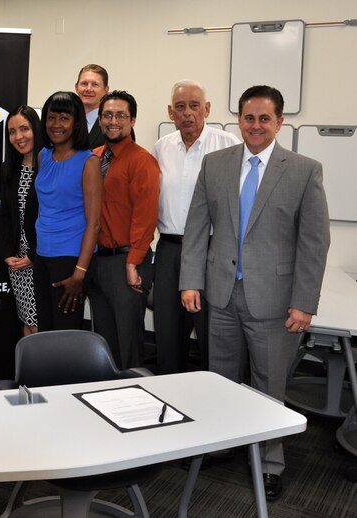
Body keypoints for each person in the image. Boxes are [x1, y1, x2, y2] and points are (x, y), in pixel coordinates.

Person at [180, 85, 330, 500]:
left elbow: (314, 243)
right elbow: (196, 228)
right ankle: (225, 443)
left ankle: (269, 462)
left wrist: (304, 302)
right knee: (221, 380)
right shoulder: (215, 164)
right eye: (249, 118)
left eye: (265, 118)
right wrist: (191, 280)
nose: (256, 126)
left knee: (268, 385)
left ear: (280, 122)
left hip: (275, 300)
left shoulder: (303, 169)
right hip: (221, 294)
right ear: (239, 121)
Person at [152, 80, 240, 374]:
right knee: (167, 331)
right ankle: (167, 394)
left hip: (211, 250)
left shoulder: (228, 145)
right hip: (169, 249)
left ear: (207, 109)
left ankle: (212, 402)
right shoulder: (161, 147)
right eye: (180, 107)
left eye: (194, 106)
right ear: (170, 112)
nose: (187, 113)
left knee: (211, 332)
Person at [89, 90, 159, 369]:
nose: (113, 121)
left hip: (128, 262)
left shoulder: (142, 161)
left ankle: (133, 401)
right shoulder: (94, 157)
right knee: (103, 340)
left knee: (128, 342)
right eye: (107, 115)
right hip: (97, 261)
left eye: (120, 115)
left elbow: (146, 216)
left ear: (132, 120)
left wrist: (133, 263)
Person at [33, 92, 102, 331]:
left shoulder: (89, 161)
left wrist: (79, 274)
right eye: (51, 117)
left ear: (77, 122)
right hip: (42, 256)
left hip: (71, 260)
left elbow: (94, 223)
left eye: (64, 118)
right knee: (45, 330)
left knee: (65, 335)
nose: (56, 124)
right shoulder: (44, 155)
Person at [0, 106, 43, 336]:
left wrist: (33, 256)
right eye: (12, 131)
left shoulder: (49, 166)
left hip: (41, 260)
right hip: (17, 263)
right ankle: (29, 372)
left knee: (38, 324)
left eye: (24, 129)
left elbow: (53, 217)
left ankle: (45, 372)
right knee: (26, 321)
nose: (19, 137)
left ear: (36, 128)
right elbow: (5, 215)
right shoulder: (10, 169)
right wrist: (8, 254)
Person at [74, 64, 134, 149]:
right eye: (84, 84)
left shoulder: (119, 125)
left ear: (106, 89)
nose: (88, 89)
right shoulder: (66, 121)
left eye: (95, 84)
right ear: (76, 87)